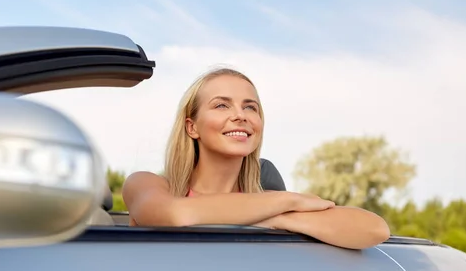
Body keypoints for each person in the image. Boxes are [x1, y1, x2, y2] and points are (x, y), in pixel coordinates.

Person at [122, 67, 390, 249]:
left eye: (250, 107)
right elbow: (174, 215)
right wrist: (286, 201)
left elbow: (375, 229)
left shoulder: (269, 208)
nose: (241, 115)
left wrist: (277, 219)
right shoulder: (146, 185)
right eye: (221, 105)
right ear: (192, 127)